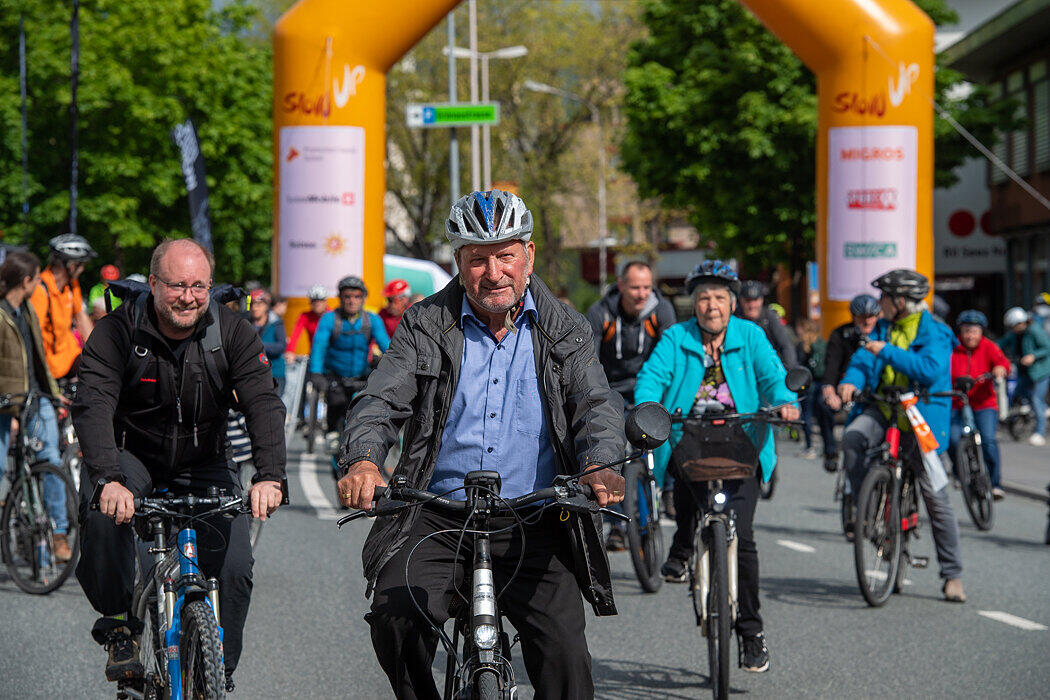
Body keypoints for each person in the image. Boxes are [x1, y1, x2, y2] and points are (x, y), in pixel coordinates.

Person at [337, 189, 626, 698]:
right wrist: (364, 460)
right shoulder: (425, 323)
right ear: (459, 262)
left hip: (534, 515)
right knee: (395, 618)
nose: (494, 272)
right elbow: (379, 401)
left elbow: (596, 406)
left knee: (566, 657)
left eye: (506, 255)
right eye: (477, 259)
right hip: (438, 514)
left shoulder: (565, 328)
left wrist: (599, 464)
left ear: (528, 256)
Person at [72, 239, 287, 690]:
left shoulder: (233, 332)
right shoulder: (116, 332)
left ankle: (216, 670)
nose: (188, 297)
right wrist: (109, 478)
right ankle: (119, 628)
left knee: (234, 568)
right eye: (176, 286)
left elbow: (263, 403)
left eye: (198, 287)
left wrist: (269, 475)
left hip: (206, 460)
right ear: (152, 284)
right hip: (132, 457)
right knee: (101, 514)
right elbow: (92, 404)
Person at [635, 260, 799, 673]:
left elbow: (774, 379)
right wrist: (648, 410)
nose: (712, 305)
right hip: (687, 438)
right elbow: (651, 380)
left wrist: (786, 404)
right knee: (688, 501)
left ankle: (751, 633)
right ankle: (685, 543)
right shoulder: (676, 337)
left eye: (720, 298)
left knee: (742, 538)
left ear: (733, 303)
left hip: (743, 444)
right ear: (696, 303)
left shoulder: (752, 336)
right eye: (704, 298)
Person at [837, 269, 966, 603]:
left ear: (900, 301)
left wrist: (885, 351)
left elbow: (928, 369)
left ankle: (952, 574)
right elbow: (863, 358)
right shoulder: (884, 327)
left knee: (935, 498)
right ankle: (867, 498)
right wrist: (851, 380)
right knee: (851, 437)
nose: (879, 304)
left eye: (884, 297)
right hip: (884, 408)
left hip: (921, 416)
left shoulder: (936, 331)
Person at [584, 260, 676, 549]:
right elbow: (588, 361)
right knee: (612, 451)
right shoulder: (601, 312)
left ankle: (668, 489)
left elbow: (671, 355)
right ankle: (615, 524)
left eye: (647, 287)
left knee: (667, 441)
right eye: (635, 287)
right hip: (611, 390)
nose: (641, 294)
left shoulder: (661, 310)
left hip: (650, 388)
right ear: (621, 284)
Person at [0, 250, 72, 562]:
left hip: (35, 397)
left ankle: (57, 534)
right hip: (6, 404)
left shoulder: (26, 309)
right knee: (1, 468)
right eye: (37, 277)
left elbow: (39, 360)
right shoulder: (1, 312)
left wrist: (53, 395)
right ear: (27, 280)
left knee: (52, 462)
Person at [308, 275, 390, 448]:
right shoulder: (330, 319)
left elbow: (387, 347)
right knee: (336, 405)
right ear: (340, 298)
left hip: (361, 375)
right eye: (347, 296)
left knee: (367, 412)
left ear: (363, 298)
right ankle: (331, 433)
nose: (352, 301)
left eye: (357, 296)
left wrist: (397, 368)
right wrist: (315, 372)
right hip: (335, 375)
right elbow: (319, 347)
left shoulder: (372, 320)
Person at [949, 310, 1009, 499]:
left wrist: (999, 369)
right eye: (967, 331)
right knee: (951, 439)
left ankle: (995, 483)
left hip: (984, 402)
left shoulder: (989, 346)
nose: (970, 336)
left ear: (981, 332)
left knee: (989, 439)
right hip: (957, 402)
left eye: (974, 331)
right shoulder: (953, 347)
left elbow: (1003, 363)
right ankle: (960, 474)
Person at [819, 294, 880, 472]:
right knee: (821, 405)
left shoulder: (884, 333)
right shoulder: (841, 334)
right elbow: (831, 367)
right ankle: (831, 451)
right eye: (862, 317)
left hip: (874, 392)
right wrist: (830, 392)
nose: (866, 321)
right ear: (853, 317)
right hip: (844, 389)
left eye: (871, 316)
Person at [30, 233, 97, 380]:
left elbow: (81, 317)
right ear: (72, 265)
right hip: (49, 366)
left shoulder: (72, 285)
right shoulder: (40, 290)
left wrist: (99, 351)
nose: (83, 269)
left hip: (70, 357)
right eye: (82, 264)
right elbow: (34, 336)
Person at [998, 306, 1050, 446]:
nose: (1011, 329)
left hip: (1040, 372)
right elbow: (1000, 344)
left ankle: (1039, 433)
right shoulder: (1015, 334)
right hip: (1024, 371)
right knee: (1018, 393)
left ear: (1020, 323)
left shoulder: (1034, 330)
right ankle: (1041, 410)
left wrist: (1033, 356)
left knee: (1036, 400)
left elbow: (1047, 347)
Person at [736, 279, 798, 369]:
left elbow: (786, 345)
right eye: (748, 300)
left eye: (755, 300)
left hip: (768, 367)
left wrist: (789, 372)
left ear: (761, 300)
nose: (752, 305)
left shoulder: (769, 317)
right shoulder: (735, 319)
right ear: (741, 300)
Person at [795, 318, 830, 460]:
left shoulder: (804, 346)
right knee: (821, 417)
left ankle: (810, 446)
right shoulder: (822, 343)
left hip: (808, 384)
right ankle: (826, 446)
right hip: (821, 383)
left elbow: (798, 365)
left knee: (806, 416)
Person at [248, 288, 287, 398]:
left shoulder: (276, 322)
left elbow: (281, 346)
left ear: (266, 305)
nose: (255, 308)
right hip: (253, 375)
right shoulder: (246, 323)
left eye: (259, 304)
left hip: (275, 373)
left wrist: (258, 345)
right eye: (252, 305)